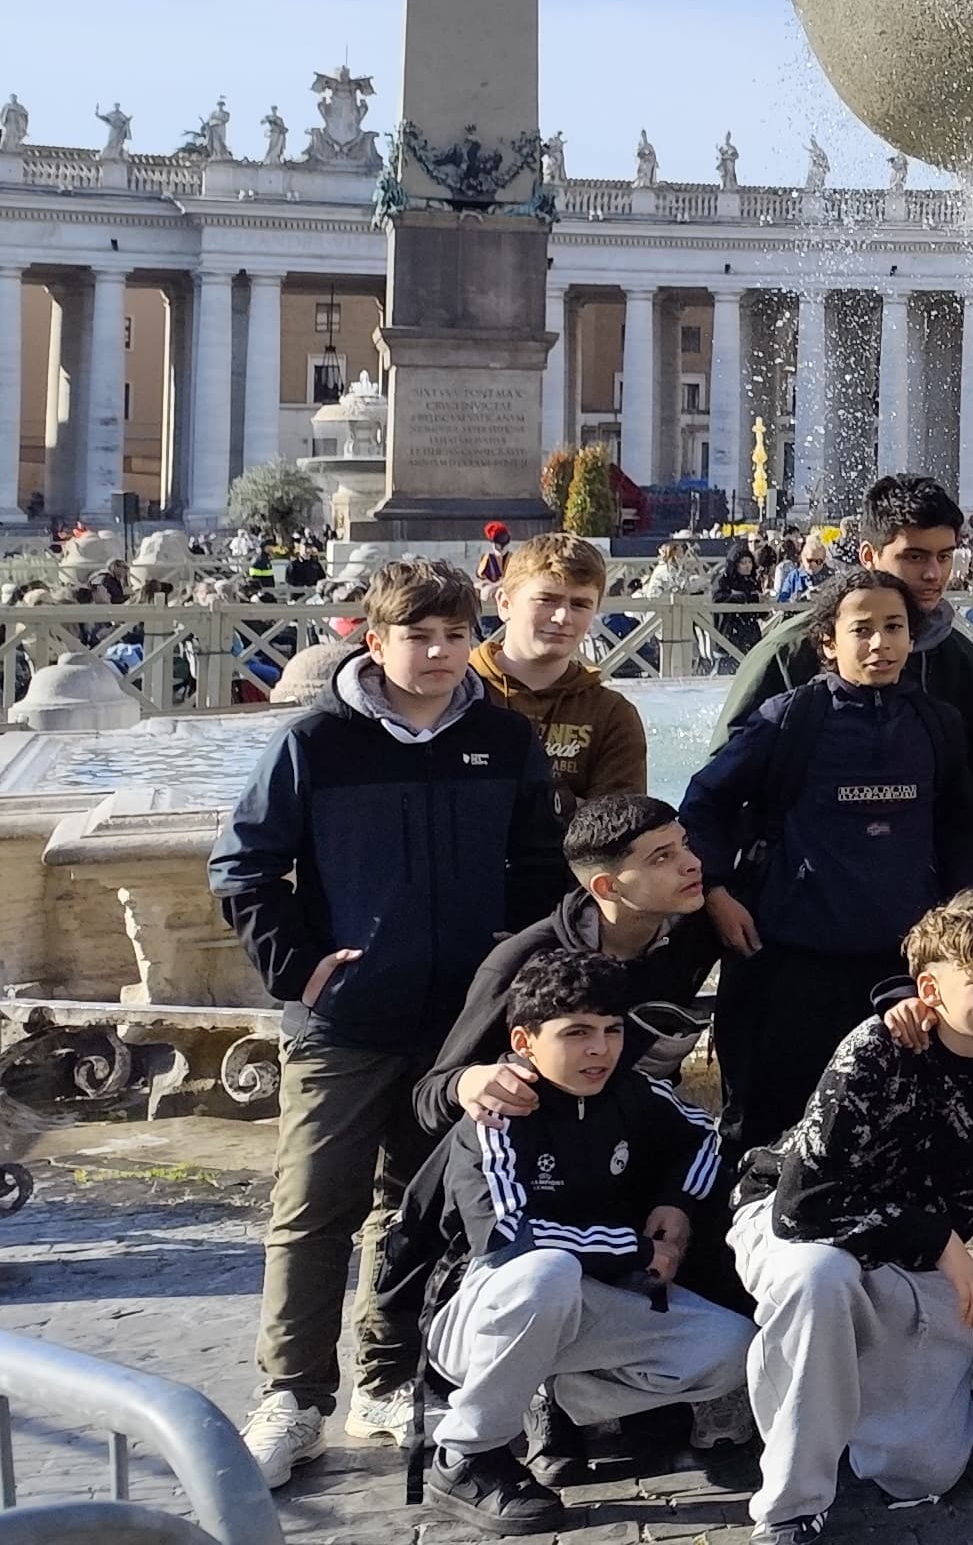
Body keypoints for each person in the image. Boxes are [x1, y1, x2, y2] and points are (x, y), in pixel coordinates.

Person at [210, 557, 567, 1486]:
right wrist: (298, 970)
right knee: (312, 1207)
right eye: (419, 636)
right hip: (345, 1022)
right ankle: (292, 1396)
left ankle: (387, 1376)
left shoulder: (502, 739)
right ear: (375, 641)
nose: (440, 653)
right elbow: (243, 866)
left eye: (456, 635)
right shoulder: (316, 742)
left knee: (414, 1207)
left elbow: (538, 867)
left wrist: (513, 971)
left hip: (458, 1027)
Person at [727, 891, 973, 1545]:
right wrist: (941, 1241)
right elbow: (803, 1209)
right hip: (802, 1221)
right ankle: (792, 1504)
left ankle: (847, 1400)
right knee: (819, 1279)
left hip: (912, 1254)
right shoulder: (875, 1051)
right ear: (930, 990)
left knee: (926, 1472)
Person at [401, 949, 746, 1533]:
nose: (599, 1049)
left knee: (732, 1348)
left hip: (592, 1300)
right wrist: (638, 1249)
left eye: (612, 1030)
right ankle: (465, 1455)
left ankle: (552, 1396)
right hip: (483, 1305)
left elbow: (706, 1137)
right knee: (548, 1272)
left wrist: (677, 1203)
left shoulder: (632, 1092)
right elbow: (513, 1236)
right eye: (577, 1033)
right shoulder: (497, 1113)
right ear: (525, 1041)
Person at [680, 568, 973, 1157]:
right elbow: (704, 800)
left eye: (894, 627)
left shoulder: (938, 724)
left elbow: (960, 831)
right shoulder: (788, 718)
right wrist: (716, 892)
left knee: (893, 1133)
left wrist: (957, 932)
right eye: (861, 629)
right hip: (795, 961)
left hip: (900, 963)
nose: (879, 643)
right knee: (772, 1129)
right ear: (828, 641)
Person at [417, 794, 721, 1142]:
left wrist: (720, 895)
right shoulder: (523, 961)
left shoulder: (697, 930)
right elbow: (428, 1098)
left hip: (632, 1144)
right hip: (529, 1153)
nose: (693, 863)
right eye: (662, 857)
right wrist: (465, 1083)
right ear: (607, 887)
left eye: (686, 845)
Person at [718, 474, 973, 737]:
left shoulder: (964, 664)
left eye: (944, 557)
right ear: (869, 556)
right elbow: (729, 762)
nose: (933, 573)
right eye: (914, 557)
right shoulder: (787, 654)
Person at [475, 532, 650, 815]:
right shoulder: (457, 690)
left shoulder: (612, 715)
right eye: (546, 600)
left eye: (580, 604)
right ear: (505, 604)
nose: (563, 617)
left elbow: (617, 828)